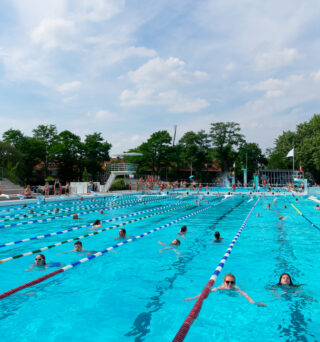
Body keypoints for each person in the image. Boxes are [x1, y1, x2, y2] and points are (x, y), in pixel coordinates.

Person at [185, 273, 267, 306]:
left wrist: (255, 303)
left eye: (232, 282)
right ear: (224, 282)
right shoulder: (220, 288)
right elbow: (207, 292)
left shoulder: (236, 289)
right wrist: (194, 298)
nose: (230, 284)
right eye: (228, 282)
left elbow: (247, 296)